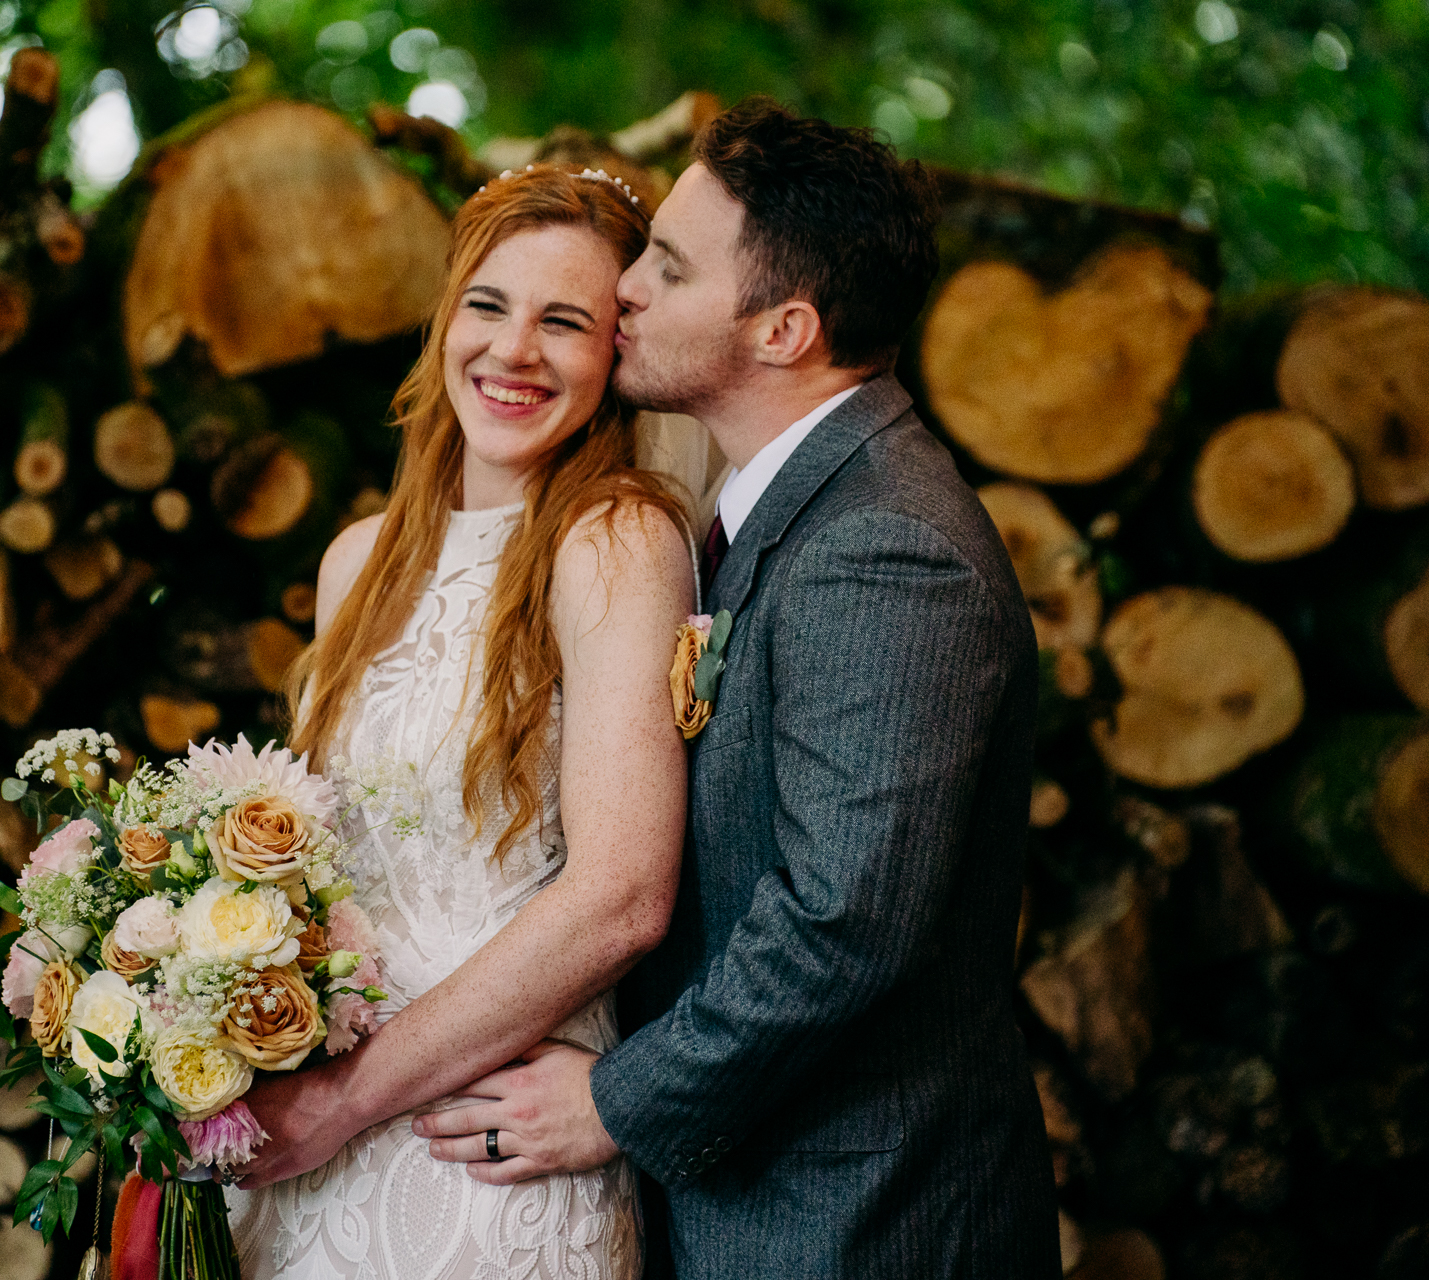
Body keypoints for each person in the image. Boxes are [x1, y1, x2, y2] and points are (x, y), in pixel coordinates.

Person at [412, 98, 1060, 1278]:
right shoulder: (777, 513)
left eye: (667, 264)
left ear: (783, 329)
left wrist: (615, 1100)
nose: (627, 293)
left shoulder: (884, 548)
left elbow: (845, 921)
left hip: (850, 1224)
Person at [221, 165, 696, 1279]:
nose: (514, 349)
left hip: (485, 1157)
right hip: (308, 1151)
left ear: (616, 356)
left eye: (565, 321)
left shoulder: (615, 540)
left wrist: (347, 1096)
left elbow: (623, 894)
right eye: (489, 304)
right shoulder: (358, 561)